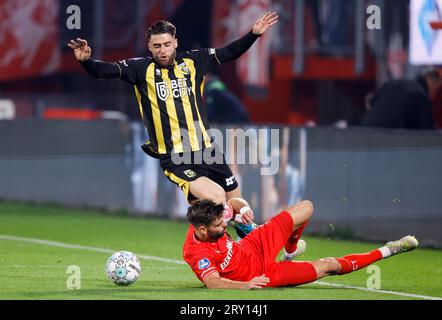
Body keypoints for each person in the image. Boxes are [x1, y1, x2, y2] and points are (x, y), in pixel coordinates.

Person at [68, 12, 278, 235]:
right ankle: (220, 247)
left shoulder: (194, 61)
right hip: (176, 157)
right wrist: (87, 62)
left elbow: (229, 52)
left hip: (207, 150)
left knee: (239, 204)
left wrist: (253, 35)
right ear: (149, 46)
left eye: (167, 44)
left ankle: (248, 241)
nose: (162, 50)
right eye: (157, 45)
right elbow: (104, 71)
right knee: (216, 197)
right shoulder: (139, 69)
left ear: (175, 42)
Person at [183, 198, 419, 289]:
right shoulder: (196, 253)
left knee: (306, 207)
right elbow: (212, 282)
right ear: (202, 230)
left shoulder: (211, 217)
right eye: (219, 226)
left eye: (223, 222)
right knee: (330, 265)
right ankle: (389, 249)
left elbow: (232, 203)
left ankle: (290, 251)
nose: (224, 226)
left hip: (254, 244)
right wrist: (245, 285)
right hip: (263, 273)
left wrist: (242, 209)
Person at [362, 69, 442, 130]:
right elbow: (426, 128)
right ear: (431, 82)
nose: (434, 94)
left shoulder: (392, 83)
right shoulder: (420, 95)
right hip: (390, 139)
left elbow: (371, 102)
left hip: (367, 130)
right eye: (437, 89)